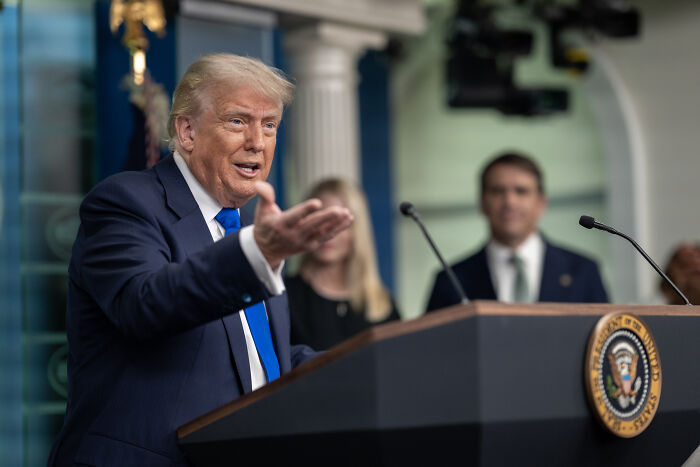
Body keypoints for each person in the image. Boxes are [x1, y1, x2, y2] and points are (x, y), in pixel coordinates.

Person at [48, 54, 353, 466]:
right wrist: (259, 253)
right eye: (238, 121)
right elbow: (145, 304)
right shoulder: (125, 203)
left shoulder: (243, 230)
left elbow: (252, 359)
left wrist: (365, 364)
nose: (258, 142)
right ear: (187, 131)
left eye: (269, 125)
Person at [426, 152, 608, 312]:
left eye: (521, 191)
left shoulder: (583, 271)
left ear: (541, 203)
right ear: (482, 203)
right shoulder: (450, 280)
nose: (510, 202)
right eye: (498, 191)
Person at [286, 178, 400, 350]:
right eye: (319, 221)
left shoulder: (383, 305)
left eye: (339, 224)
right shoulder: (284, 298)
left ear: (357, 231)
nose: (328, 233)